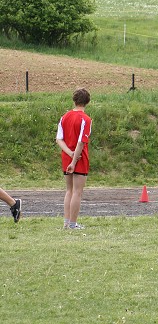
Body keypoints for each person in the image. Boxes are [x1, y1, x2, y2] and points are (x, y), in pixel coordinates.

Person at [56, 88, 92, 230]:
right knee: (78, 191)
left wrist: (69, 155)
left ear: (74, 100)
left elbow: (59, 139)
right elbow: (81, 142)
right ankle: (72, 224)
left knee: (69, 190)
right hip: (80, 157)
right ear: (87, 102)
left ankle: (66, 222)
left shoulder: (64, 117)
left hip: (67, 156)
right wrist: (74, 159)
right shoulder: (86, 119)